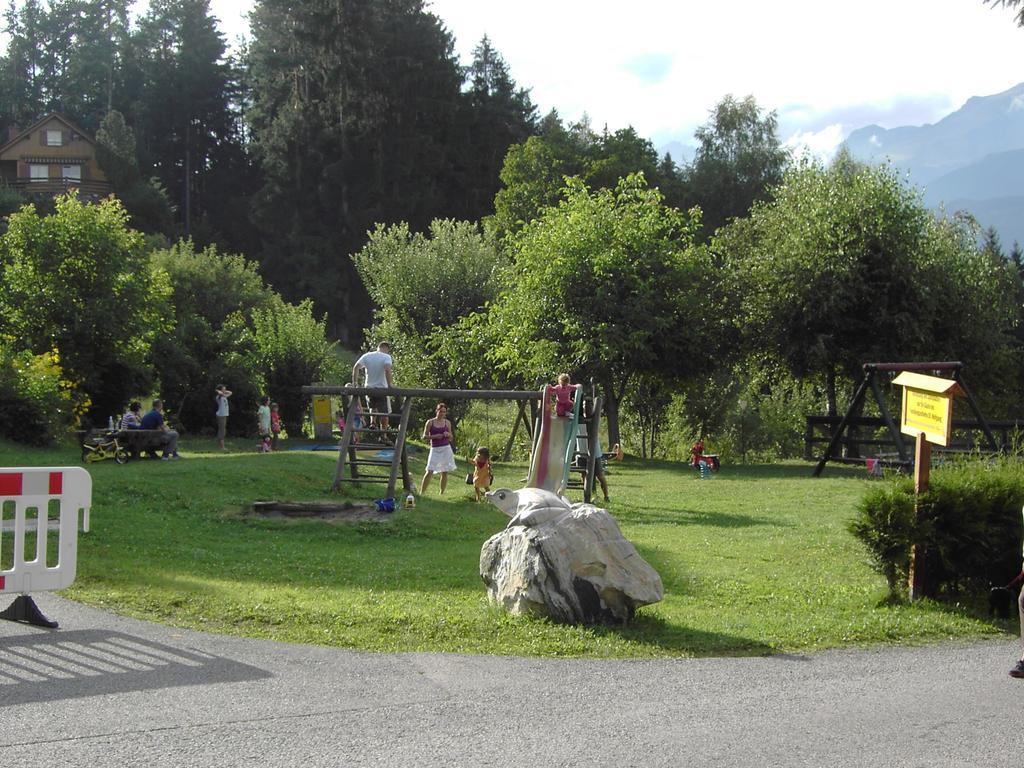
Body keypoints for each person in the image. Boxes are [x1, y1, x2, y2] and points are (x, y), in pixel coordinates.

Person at [352, 342, 394, 433]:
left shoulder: (367, 356)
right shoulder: (386, 357)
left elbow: (356, 367)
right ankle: (384, 434)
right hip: (382, 388)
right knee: (384, 413)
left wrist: (355, 383)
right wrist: (390, 384)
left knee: (372, 405)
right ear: (386, 349)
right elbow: (387, 370)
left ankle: (373, 422)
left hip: (369, 388)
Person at [420, 403, 456, 495]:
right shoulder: (430, 422)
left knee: (444, 471)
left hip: (446, 448)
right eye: (440, 411)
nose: (442, 414)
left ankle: (441, 492)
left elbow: (451, 437)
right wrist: (435, 436)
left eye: (444, 412)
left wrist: (448, 435)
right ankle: (422, 492)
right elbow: (424, 436)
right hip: (435, 449)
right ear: (436, 411)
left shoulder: (447, 422)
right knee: (429, 470)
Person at [215, 384, 232, 451]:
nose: (225, 390)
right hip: (221, 415)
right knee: (222, 431)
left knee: (222, 430)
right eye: (223, 389)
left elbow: (230, 392)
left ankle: (219, 446)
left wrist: (224, 391)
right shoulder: (218, 397)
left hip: (224, 415)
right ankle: (222, 447)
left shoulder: (224, 396)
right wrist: (217, 390)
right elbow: (219, 393)